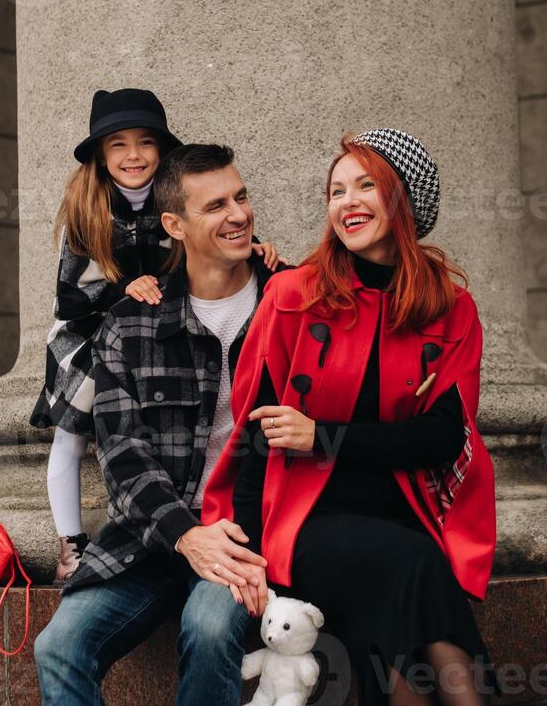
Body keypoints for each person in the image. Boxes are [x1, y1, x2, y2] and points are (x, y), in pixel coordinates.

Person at [202, 128, 500, 706]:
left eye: (366, 185)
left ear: (404, 201)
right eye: (336, 190)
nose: (347, 202)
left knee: (403, 584)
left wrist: (322, 436)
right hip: (305, 515)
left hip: (404, 508)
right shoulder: (293, 294)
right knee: (412, 565)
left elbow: (442, 437)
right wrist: (256, 555)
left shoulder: (449, 306)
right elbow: (255, 438)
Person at [34, 144, 286, 705]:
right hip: (147, 541)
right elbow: (123, 456)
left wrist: (218, 538)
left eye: (241, 197)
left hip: (244, 536)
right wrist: (185, 534)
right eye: (216, 205)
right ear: (174, 224)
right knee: (58, 646)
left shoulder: (287, 304)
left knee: (213, 626)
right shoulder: (132, 323)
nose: (239, 214)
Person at [29, 90, 279, 582]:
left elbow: (210, 253)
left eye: (145, 142)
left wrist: (256, 251)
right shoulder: (87, 209)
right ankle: (69, 542)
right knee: (72, 428)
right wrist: (125, 286)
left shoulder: (177, 200)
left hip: (155, 326)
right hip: (92, 324)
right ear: (102, 155)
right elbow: (71, 296)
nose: (134, 156)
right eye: (118, 145)